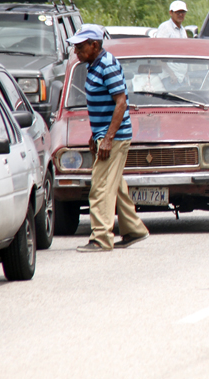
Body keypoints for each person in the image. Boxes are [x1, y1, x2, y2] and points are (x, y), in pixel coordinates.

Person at [68, 24, 149, 252]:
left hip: (115, 138)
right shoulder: (93, 65)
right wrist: (96, 135)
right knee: (116, 185)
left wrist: (107, 139)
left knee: (100, 187)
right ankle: (134, 230)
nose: (76, 51)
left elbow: (121, 103)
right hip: (105, 135)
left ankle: (101, 238)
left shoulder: (107, 64)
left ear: (95, 45)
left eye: (80, 46)